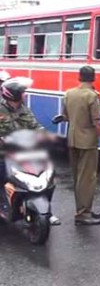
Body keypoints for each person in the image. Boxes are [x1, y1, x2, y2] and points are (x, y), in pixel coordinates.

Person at [0, 77, 62, 226]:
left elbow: (34, 125)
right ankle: (3, 205)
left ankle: (47, 210)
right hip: (3, 153)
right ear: (13, 95)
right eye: (22, 93)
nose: (24, 95)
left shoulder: (23, 108)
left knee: (46, 176)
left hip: (23, 150)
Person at [62, 66, 100, 226]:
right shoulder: (92, 96)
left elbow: (65, 117)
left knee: (77, 177)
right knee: (87, 179)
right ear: (94, 78)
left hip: (72, 140)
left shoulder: (69, 93)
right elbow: (97, 123)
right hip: (87, 143)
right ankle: (83, 213)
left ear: (79, 77)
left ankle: (82, 209)